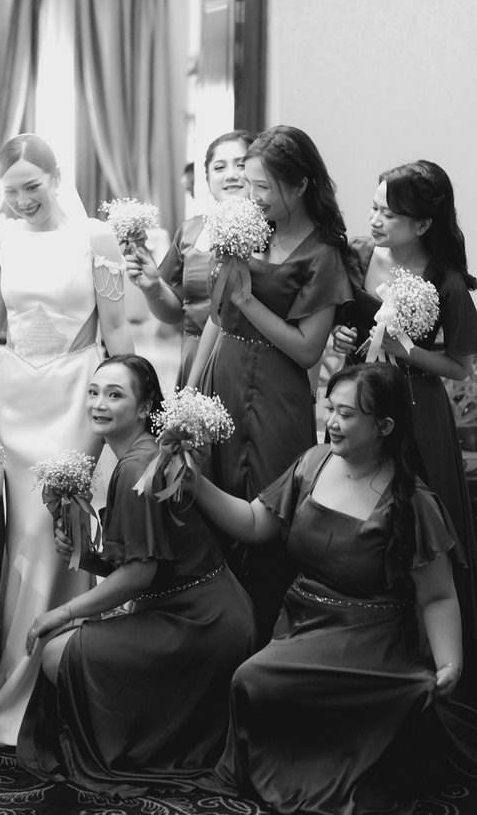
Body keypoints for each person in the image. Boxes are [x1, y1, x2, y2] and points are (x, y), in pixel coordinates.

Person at [190, 362, 477, 815]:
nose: (333, 422)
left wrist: (449, 664)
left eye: (347, 414)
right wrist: (195, 484)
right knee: (252, 679)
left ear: (384, 426)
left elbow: (438, 596)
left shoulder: (413, 501)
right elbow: (254, 522)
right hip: (302, 625)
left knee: (393, 702)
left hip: (372, 638)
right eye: (331, 408)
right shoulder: (312, 463)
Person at [0, 133, 135, 746]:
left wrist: (135, 405)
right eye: (11, 191)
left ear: (56, 179)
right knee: (20, 531)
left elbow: (117, 332)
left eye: (32, 186)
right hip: (13, 399)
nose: (23, 200)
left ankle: (56, 677)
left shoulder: (96, 238)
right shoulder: (1, 240)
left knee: (56, 527)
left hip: (76, 394)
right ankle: (17, 676)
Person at [18, 355, 256, 795]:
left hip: (198, 623)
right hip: (208, 612)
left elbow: (139, 575)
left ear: (145, 407)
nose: (99, 403)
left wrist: (62, 611)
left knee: (56, 654)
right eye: (94, 392)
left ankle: (140, 749)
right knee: (67, 648)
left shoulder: (135, 465)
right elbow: (146, 559)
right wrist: (85, 556)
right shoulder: (144, 453)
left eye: (115, 395)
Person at [186, 124, 352, 638]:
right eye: (250, 183)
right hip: (225, 374)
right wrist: (191, 389)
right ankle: (216, 633)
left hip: (280, 387)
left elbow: (307, 350)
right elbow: (218, 315)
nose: (251, 195)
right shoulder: (247, 228)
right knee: (212, 495)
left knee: (272, 506)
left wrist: (247, 299)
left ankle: (266, 637)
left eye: (263, 186)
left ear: (300, 185)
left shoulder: (323, 254)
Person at [332, 159, 477, 697]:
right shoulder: (359, 258)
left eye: (388, 214)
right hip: (362, 400)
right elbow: (345, 324)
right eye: (373, 208)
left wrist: (406, 349)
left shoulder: (448, 283)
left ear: (422, 224)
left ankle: (429, 661)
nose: (374, 220)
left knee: (419, 525)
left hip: (419, 408)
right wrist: (345, 342)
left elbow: (460, 368)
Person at [125, 130, 254, 386]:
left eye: (241, 165)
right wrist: (153, 288)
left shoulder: (274, 232)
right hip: (194, 357)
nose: (231, 175)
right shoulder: (191, 231)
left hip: (250, 361)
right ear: (207, 179)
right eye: (219, 167)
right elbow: (175, 313)